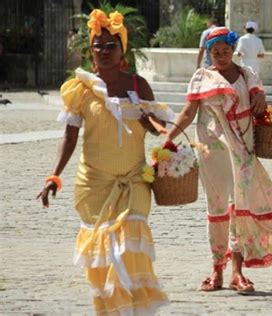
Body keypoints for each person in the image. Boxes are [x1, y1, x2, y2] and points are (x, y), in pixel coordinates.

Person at [36, 9, 173, 315]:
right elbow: (69, 138)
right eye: (98, 45)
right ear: (90, 51)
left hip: (134, 180)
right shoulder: (80, 89)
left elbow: (155, 127)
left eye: (111, 45)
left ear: (122, 49)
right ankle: (112, 309)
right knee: (104, 252)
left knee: (129, 243)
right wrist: (53, 176)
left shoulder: (138, 86)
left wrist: (154, 124)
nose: (104, 51)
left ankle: (134, 309)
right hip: (93, 184)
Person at [163, 27, 272, 294]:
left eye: (225, 51)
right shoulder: (202, 77)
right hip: (213, 150)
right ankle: (216, 269)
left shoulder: (248, 75)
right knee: (217, 207)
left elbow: (260, 102)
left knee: (241, 207)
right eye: (215, 52)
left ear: (232, 50)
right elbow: (189, 112)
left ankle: (237, 271)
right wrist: (168, 138)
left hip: (242, 150)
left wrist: (260, 97)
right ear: (209, 52)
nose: (221, 56)